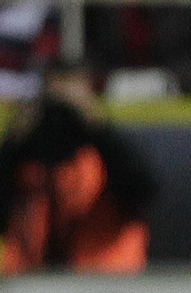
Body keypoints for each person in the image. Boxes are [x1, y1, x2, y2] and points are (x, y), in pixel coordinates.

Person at [0, 61, 156, 274]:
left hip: (106, 290)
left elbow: (143, 189)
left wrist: (95, 126)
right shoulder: (25, 163)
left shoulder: (106, 160)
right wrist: (14, 142)